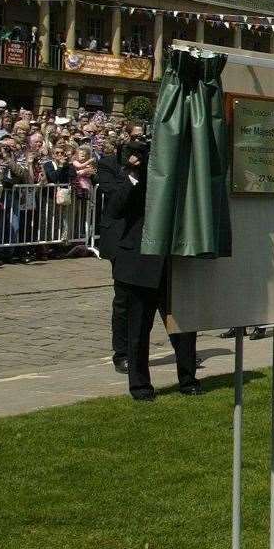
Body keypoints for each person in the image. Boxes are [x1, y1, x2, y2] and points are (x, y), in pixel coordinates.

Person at [97, 139, 199, 401]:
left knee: (183, 327)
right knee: (138, 331)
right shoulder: (129, 179)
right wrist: (133, 175)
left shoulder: (178, 180)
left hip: (170, 262)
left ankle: (188, 380)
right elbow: (116, 208)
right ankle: (141, 387)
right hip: (138, 264)